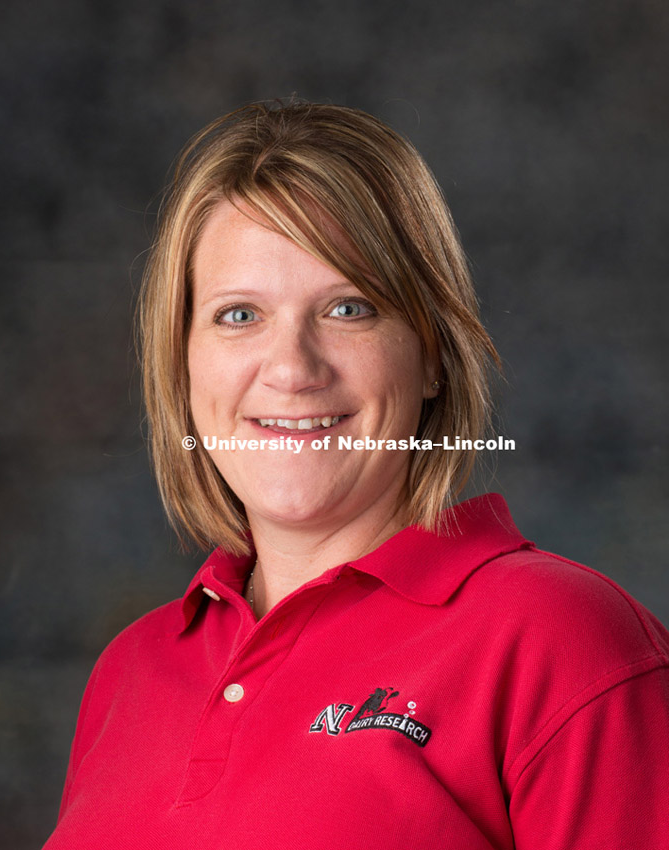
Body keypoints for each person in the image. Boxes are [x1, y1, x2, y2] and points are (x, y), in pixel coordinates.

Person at [44, 101, 669, 849]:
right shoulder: (130, 674)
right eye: (239, 315)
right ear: (181, 364)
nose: (292, 369)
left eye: (349, 307)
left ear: (433, 352)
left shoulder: (564, 644)